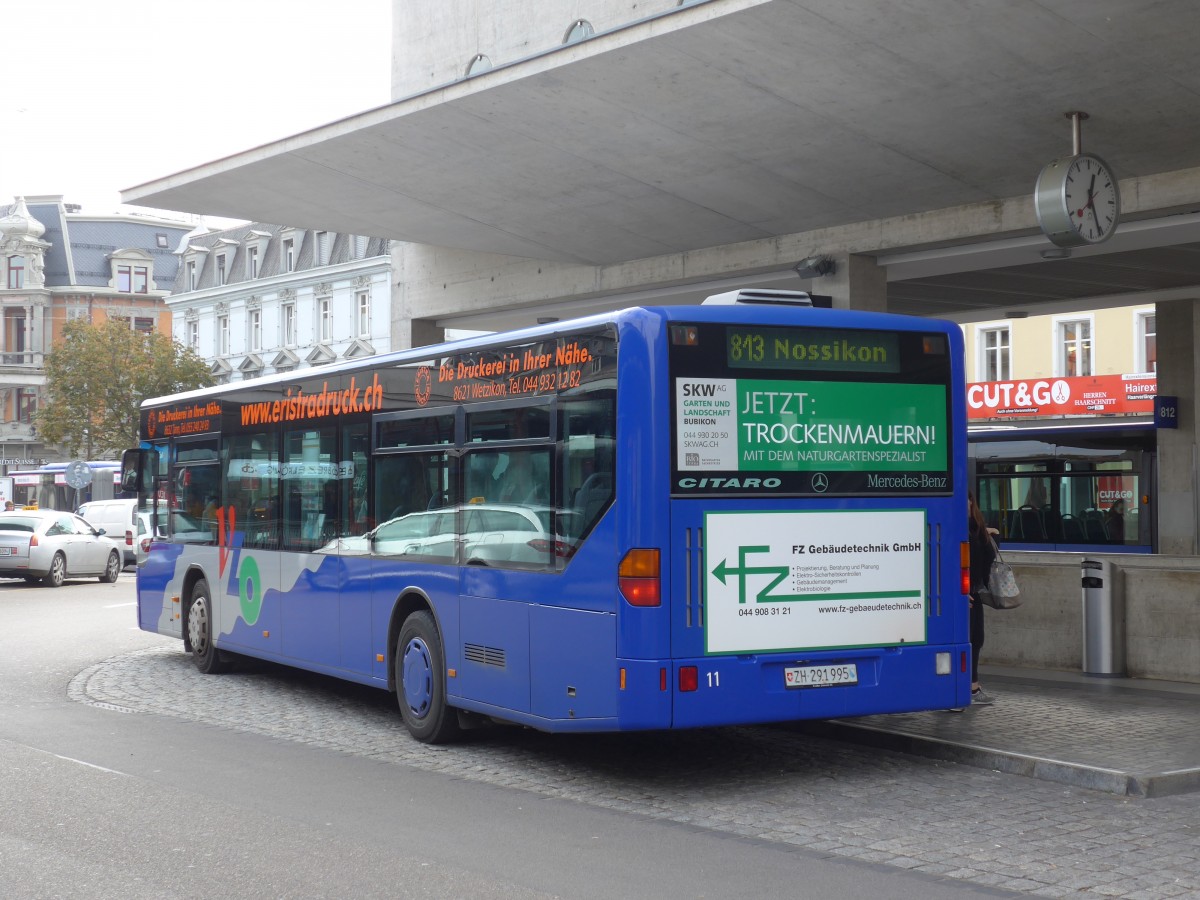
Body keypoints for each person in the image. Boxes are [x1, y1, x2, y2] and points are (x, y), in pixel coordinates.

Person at [967, 492, 997, 706]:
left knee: (976, 639)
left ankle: (971, 686)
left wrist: (987, 533)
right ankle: (968, 687)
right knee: (969, 639)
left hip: (974, 592)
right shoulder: (954, 528)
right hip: (961, 595)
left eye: (967, 500)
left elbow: (990, 556)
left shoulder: (976, 527)